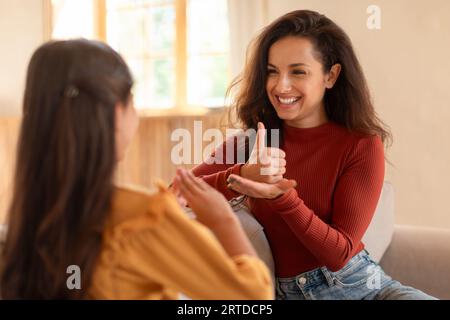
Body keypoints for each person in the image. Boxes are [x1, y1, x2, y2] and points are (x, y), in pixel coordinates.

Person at [0, 39, 273, 300]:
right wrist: (222, 219)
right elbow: (254, 299)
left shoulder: (25, 225)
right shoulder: (146, 218)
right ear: (116, 114)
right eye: (133, 103)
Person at [192, 10, 436, 300]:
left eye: (298, 71)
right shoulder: (253, 144)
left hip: (363, 287)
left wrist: (282, 197)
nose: (280, 86)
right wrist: (241, 174)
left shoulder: (361, 144)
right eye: (272, 71)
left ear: (330, 76)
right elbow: (174, 194)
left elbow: (340, 253)